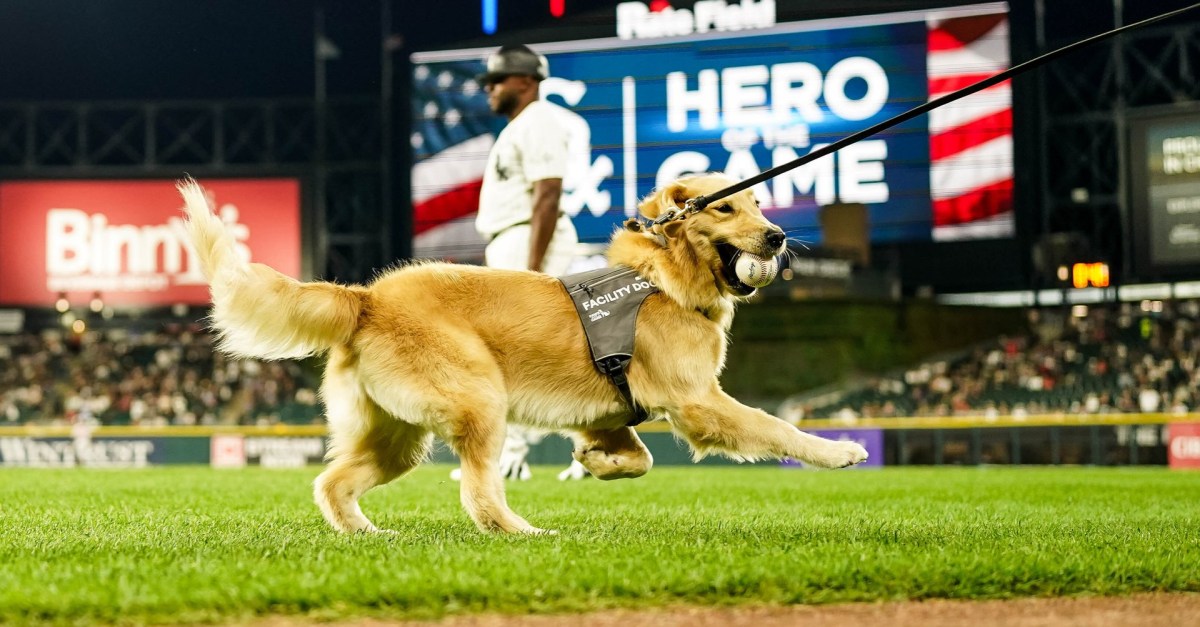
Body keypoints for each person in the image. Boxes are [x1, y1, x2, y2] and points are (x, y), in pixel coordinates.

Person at [471, 44, 588, 481]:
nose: (490, 90)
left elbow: (548, 193)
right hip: (513, 240)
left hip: (528, 239)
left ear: (524, 81)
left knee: (517, 348)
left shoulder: (538, 119)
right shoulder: (520, 126)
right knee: (529, 350)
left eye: (497, 81)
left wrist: (532, 269)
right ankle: (586, 443)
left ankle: (511, 451)